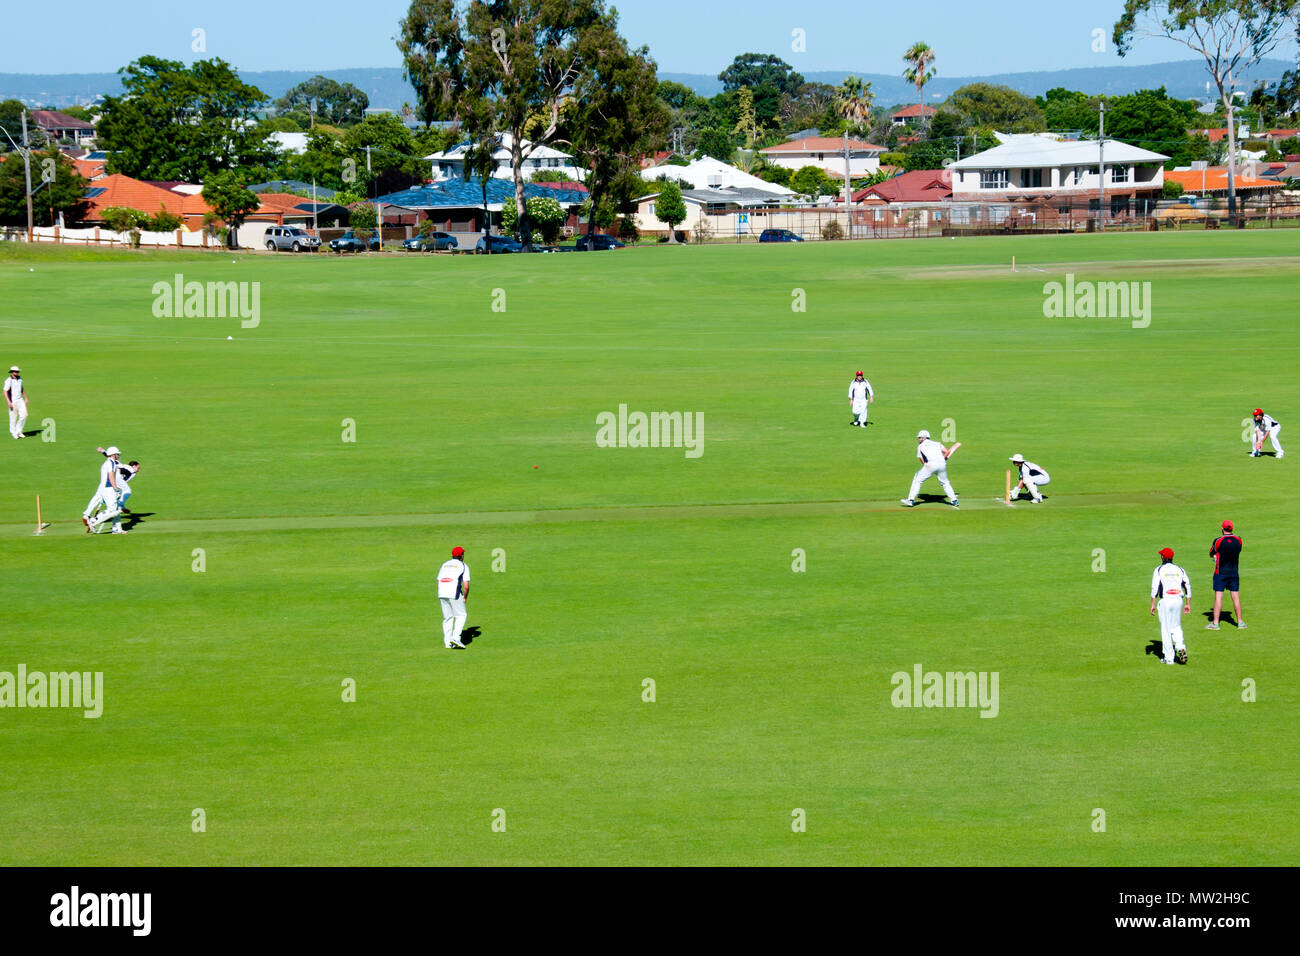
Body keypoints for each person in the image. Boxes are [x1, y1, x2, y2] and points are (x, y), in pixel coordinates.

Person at [1149, 547, 1191, 665]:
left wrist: (1152, 604)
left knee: (1166, 629)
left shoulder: (1159, 570)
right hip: (1178, 600)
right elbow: (1187, 585)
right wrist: (1188, 603)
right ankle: (1180, 646)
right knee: (1176, 626)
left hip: (1166, 601)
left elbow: (1155, 587)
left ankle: (1169, 658)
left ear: (1163, 557)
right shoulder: (1180, 569)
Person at [901, 430, 958, 509]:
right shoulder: (938, 443)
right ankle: (954, 500)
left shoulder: (920, 446)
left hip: (930, 465)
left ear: (924, 438)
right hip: (942, 465)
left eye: (919, 437)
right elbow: (947, 452)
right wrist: (942, 460)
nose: (918, 439)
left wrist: (926, 466)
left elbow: (921, 459)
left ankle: (910, 500)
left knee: (917, 480)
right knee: (945, 483)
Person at [1207, 520, 1245, 630]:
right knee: (1235, 596)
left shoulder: (1218, 541)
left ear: (1222, 528)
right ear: (1232, 528)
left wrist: (1216, 557)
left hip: (1220, 572)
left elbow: (1211, 553)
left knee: (1219, 597)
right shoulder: (1239, 540)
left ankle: (1215, 623)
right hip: (1234, 572)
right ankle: (1240, 622)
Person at [82, 446, 127, 535]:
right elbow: (111, 476)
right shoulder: (111, 464)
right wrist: (116, 488)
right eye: (117, 454)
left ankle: (117, 529)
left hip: (103, 489)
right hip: (109, 489)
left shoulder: (108, 462)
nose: (118, 455)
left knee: (116, 508)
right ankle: (94, 521)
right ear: (113, 455)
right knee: (113, 511)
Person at [436, 546, 471, 649]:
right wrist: (465, 597)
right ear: (461, 556)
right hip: (454, 592)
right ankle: (456, 638)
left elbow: (439, 581)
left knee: (448, 617)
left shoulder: (445, 564)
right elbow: (466, 586)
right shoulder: (463, 565)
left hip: (441, 592)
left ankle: (447, 642)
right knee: (461, 615)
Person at [5, 366, 28, 439]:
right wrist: (8, 402)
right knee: (13, 417)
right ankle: (13, 433)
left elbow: (22, 388)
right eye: (15, 371)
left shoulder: (20, 379)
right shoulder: (9, 380)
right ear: (12, 372)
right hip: (13, 401)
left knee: (24, 415)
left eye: (18, 371)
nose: (17, 373)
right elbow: (5, 391)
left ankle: (19, 431)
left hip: (20, 400)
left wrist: (26, 398)